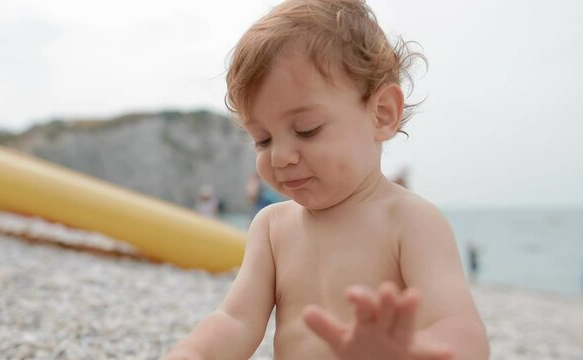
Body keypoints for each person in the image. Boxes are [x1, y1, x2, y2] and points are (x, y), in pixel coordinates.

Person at [165, 1, 488, 359]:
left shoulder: (410, 221)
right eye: (263, 139)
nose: (280, 156)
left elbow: (459, 329)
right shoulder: (272, 227)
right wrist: (193, 353)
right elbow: (235, 320)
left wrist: (409, 351)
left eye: (307, 130)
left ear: (381, 115)